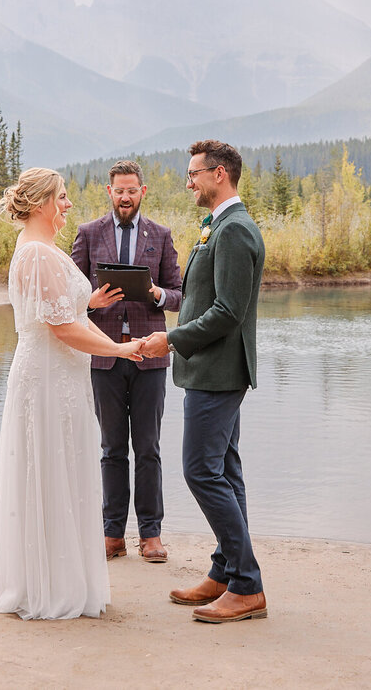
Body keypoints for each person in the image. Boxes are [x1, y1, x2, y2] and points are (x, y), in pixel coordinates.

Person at [0, 168, 145, 620]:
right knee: (48, 468)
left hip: (59, 376)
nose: (69, 204)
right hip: (48, 379)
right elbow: (61, 328)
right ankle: (45, 585)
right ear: (40, 204)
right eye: (62, 196)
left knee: (60, 467)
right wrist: (119, 348)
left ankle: (53, 574)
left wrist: (88, 305)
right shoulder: (37, 253)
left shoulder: (42, 251)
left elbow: (65, 313)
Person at [140, 139, 267, 624]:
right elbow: (201, 298)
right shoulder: (218, 226)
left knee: (200, 471)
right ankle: (224, 572)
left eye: (194, 173)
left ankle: (248, 585)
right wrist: (164, 304)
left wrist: (168, 341)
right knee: (225, 473)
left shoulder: (234, 230)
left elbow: (229, 312)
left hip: (218, 373)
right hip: (211, 372)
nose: (188, 180)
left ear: (220, 174)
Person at [70, 159, 184, 563]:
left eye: (132, 190)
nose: (125, 196)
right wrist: (89, 300)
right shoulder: (87, 234)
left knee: (149, 448)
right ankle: (112, 534)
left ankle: (150, 535)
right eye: (119, 190)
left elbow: (180, 296)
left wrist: (155, 294)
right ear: (109, 191)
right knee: (111, 449)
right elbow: (67, 296)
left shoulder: (162, 236)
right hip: (103, 356)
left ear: (142, 192)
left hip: (149, 358)